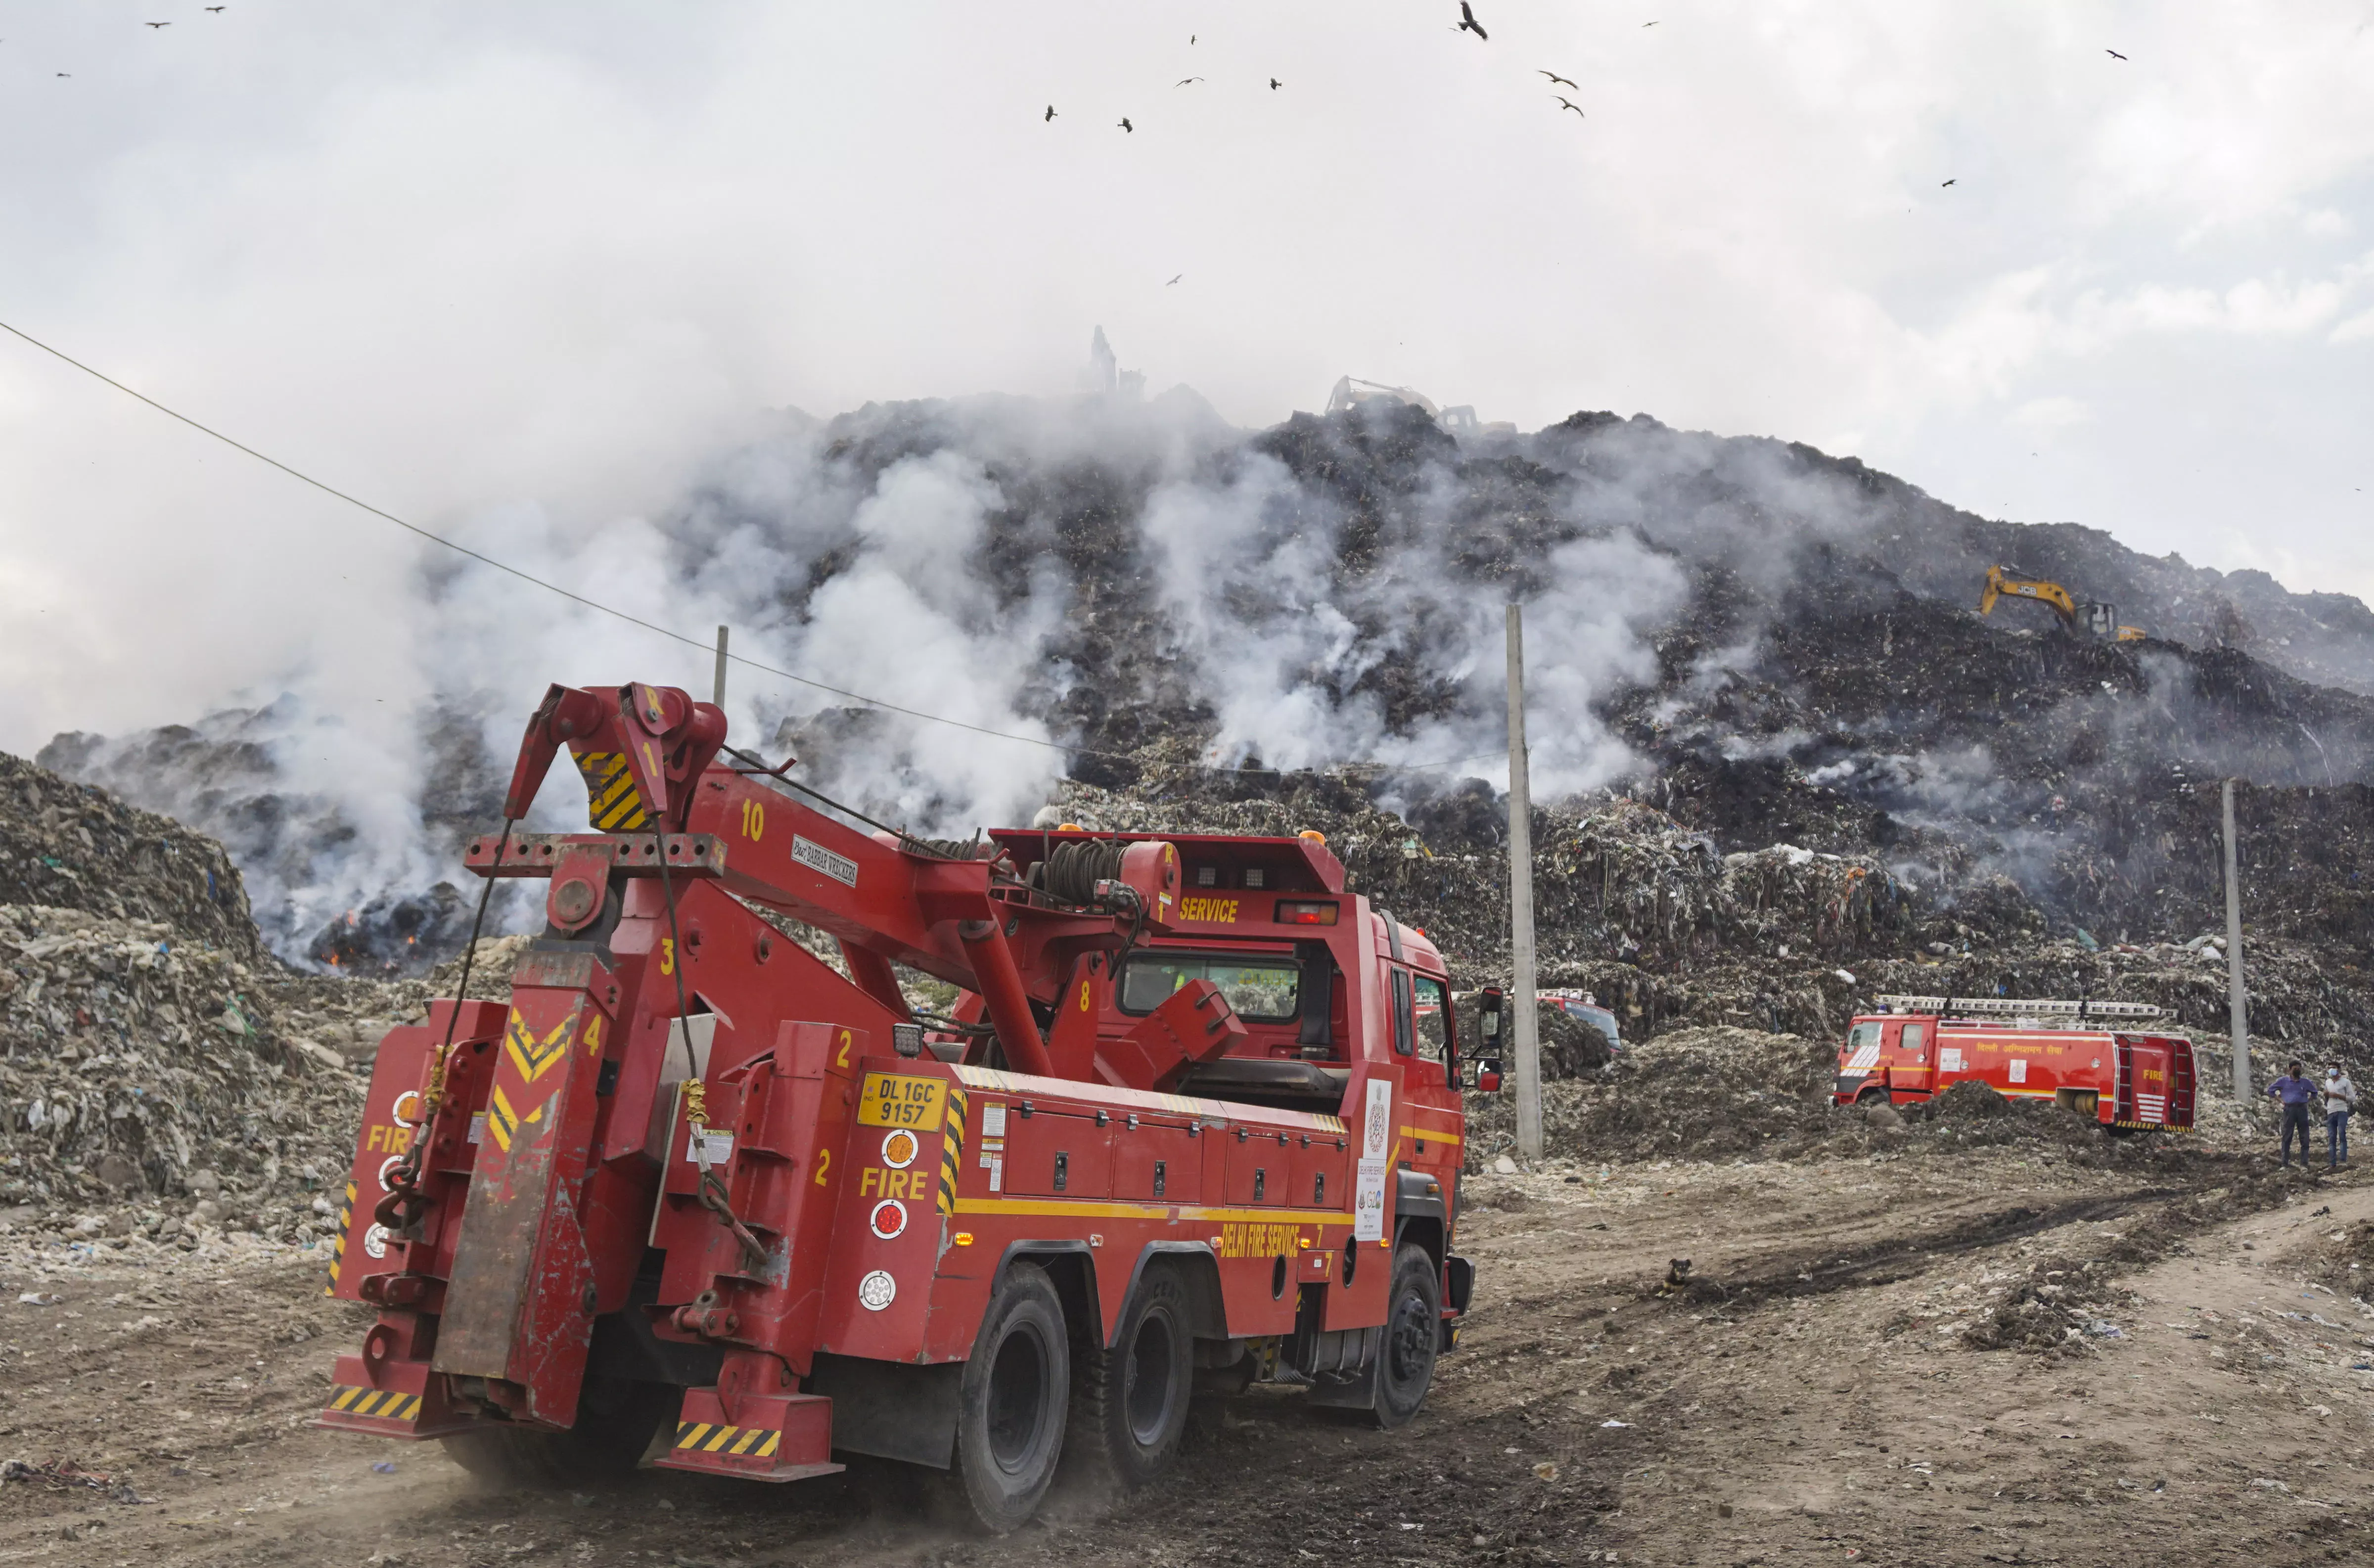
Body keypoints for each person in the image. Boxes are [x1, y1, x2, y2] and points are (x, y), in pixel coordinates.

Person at [2266, 1061, 2318, 1167]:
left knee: (2304, 1136)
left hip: (2302, 1109)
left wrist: (2308, 1101)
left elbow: (2315, 1093)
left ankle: (2304, 1163)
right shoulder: (2283, 1081)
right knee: (2287, 1136)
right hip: (2289, 1109)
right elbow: (2270, 1091)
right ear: (2290, 1070)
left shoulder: (2305, 1082)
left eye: (2299, 1068)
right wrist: (2280, 1100)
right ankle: (2285, 1163)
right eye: (2295, 1068)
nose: (2297, 1070)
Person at [2326, 1065, 2358, 1170]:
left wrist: (2339, 1096)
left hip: (2342, 1111)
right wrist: (2326, 1094)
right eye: (2330, 1068)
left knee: (2342, 1134)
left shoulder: (2346, 1082)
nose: (2331, 1069)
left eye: (2333, 1067)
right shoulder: (2328, 1082)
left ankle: (2343, 1160)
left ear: (2339, 1070)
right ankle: (2332, 1163)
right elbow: (2327, 1096)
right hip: (2331, 1111)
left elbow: (2352, 1098)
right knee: (2331, 1138)